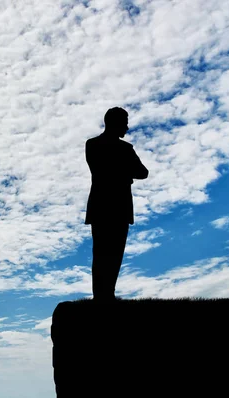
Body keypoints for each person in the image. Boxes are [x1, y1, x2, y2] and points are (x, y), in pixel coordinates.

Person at [84, 107, 148, 301]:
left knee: (111, 252)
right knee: (106, 252)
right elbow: (101, 169)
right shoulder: (108, 147)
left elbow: (143, 173)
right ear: (115, 123)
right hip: (110, 206)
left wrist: (120, 172)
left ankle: (106, 294)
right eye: (124, 123)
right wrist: (125, 173)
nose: (127, 127)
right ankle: (103, 295)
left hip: (109, 206)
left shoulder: (106, 146)